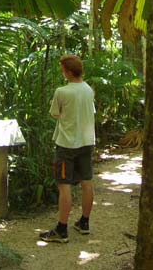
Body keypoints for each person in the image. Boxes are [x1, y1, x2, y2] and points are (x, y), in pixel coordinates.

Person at [40, 54, 96, 243]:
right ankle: (84, 222)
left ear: (69, 72)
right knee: (86, 182)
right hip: (86, 142)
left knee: (64, 186)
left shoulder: (62, 92)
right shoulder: (88, 89)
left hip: (66, 144)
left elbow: (55, 114)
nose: (61, 72)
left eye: (63, 69)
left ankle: (62, 229)